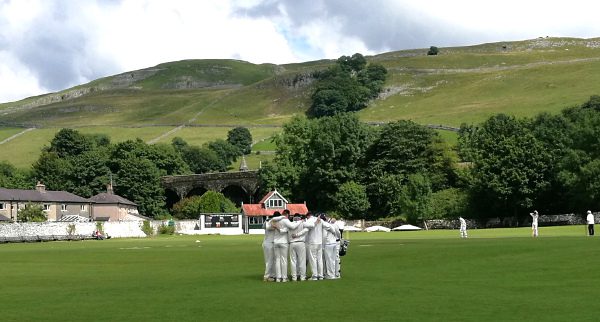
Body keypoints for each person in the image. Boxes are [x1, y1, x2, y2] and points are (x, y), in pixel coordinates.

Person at [271, 209, 301, 282]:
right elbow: (293, 227)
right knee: (283, 260)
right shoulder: (285, 220)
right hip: (283, 242)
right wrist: (300, 221)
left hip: (276, 242)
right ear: (287, 214)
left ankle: (278, 278)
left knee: (277, 260)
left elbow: (273, 219)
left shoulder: (276, 220)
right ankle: (284, 278)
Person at [288, 214, 313, 281]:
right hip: (301, 243)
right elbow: (312, 225)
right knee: (302, 261)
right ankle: (302, 277)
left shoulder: (290, 224)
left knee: (293, 261)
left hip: (292, 243)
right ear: (299, 218)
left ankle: (294, 277)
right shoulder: (302, 223)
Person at [304, 212, 323, 280]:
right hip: (320, 242)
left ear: (308, 216)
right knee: (319, 259)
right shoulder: (320, 220)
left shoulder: (309, 220)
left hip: (312, 242)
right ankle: (320, 275)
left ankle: (315, 276)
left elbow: (310, 226)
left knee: (313, 259)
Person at [321, 214, 341, 280]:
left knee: (329, 260)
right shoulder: (333, 223)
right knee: (333, 259)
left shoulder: (325, 225)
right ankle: (335, 274)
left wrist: (323, 245)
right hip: (334, 243)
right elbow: (338, 233)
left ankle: (330, 275)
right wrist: (337, 238)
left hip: (328, 244)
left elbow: (324, 236)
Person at [262, 214, 277, 282]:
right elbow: (267, 227)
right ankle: (267, 276)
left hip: (270, 243)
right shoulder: (269, 222)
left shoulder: (269, 221)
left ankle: (272, 275)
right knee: (269, 260)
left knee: (273, 260)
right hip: (269, 243)